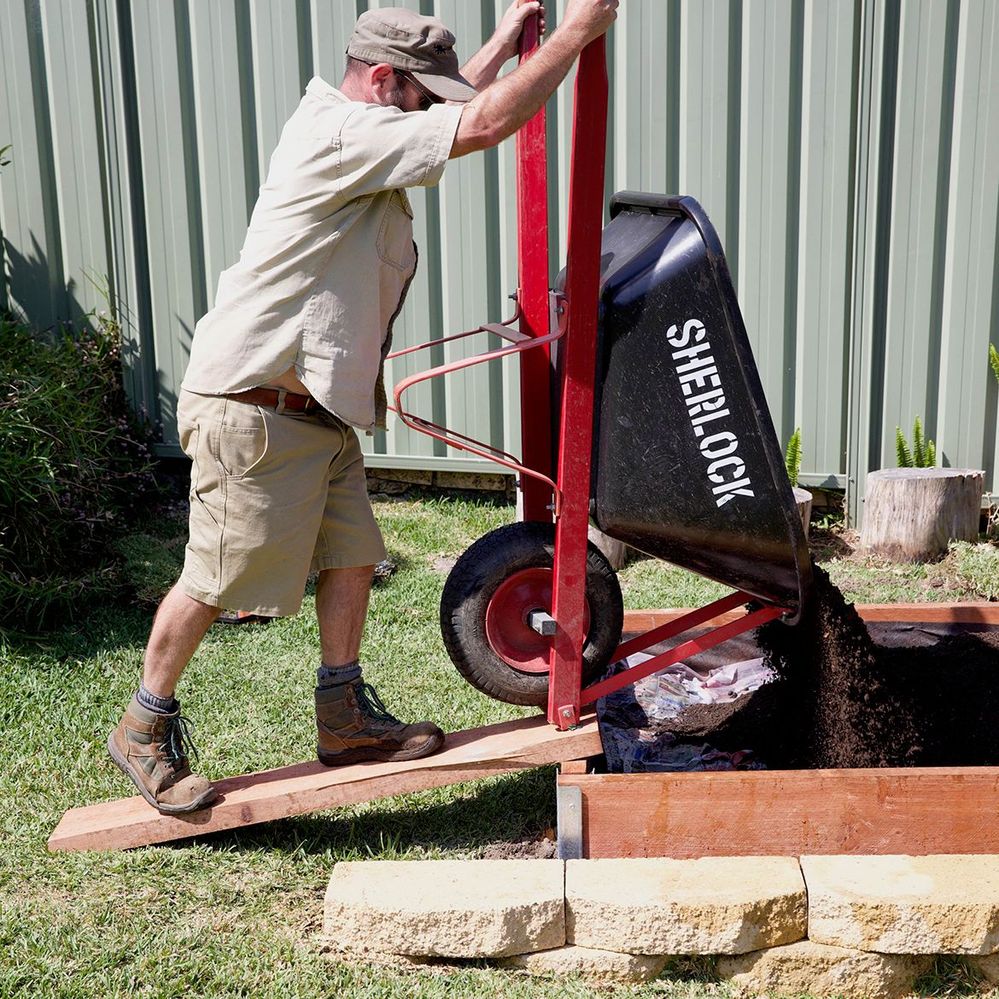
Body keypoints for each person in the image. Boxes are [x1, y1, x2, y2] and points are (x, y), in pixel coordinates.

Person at [108, 0, 619, 815]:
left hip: (312, 406)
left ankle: (342, 715)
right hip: (255, 404)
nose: (433, 108)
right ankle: (142, 727)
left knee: (352, 555)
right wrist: (573, 35)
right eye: (422, 94)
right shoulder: (344, 133)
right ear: (381, 80)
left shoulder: (365, 115)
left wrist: (503, 37)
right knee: (216, 573)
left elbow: (461, 104)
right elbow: (481, 124)